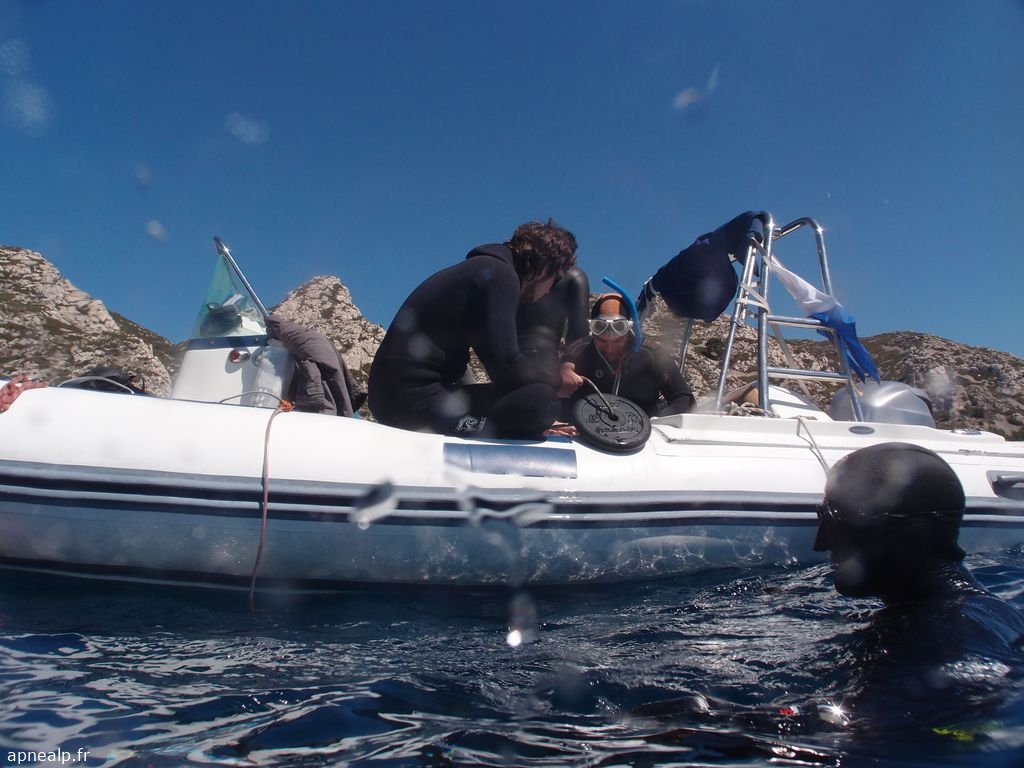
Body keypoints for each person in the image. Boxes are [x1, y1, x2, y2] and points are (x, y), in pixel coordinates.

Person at [814, 441, 1024, 734]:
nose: (821, 543)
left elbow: (867, 733)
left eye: (831, 522)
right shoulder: (967, 615)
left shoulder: (950, 641)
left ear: (892, 532)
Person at [367, 219, 584, 439]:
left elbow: (500, 364)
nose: (549, 291)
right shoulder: (500, 277)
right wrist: (556, 380)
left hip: (393, 399)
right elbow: (507, 367)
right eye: (555, 280)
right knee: (541, 400)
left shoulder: (484, 271)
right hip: (408, 405)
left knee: (534, 402)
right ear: (544, 269)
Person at [562, 293, 695, 417]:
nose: (610, 347)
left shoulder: (652, 354)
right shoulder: (577, 351)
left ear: (629, 329)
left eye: (617, 341)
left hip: (644, 430)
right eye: (601, 340)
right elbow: (554, 394)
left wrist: (656, 424)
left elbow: (683, 397)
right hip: (584, 428)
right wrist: (560, 379)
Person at [267, 315, 366, 417]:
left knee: (331, 401)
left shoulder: (285, 331)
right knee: (340, 399)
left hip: (323, 395)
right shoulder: (313, 336)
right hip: (333, 373)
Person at [516, 265, 590, 375]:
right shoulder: (572, 275)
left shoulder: (510, 269)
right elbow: (578, 332)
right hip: (546, 362)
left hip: (505, 362)